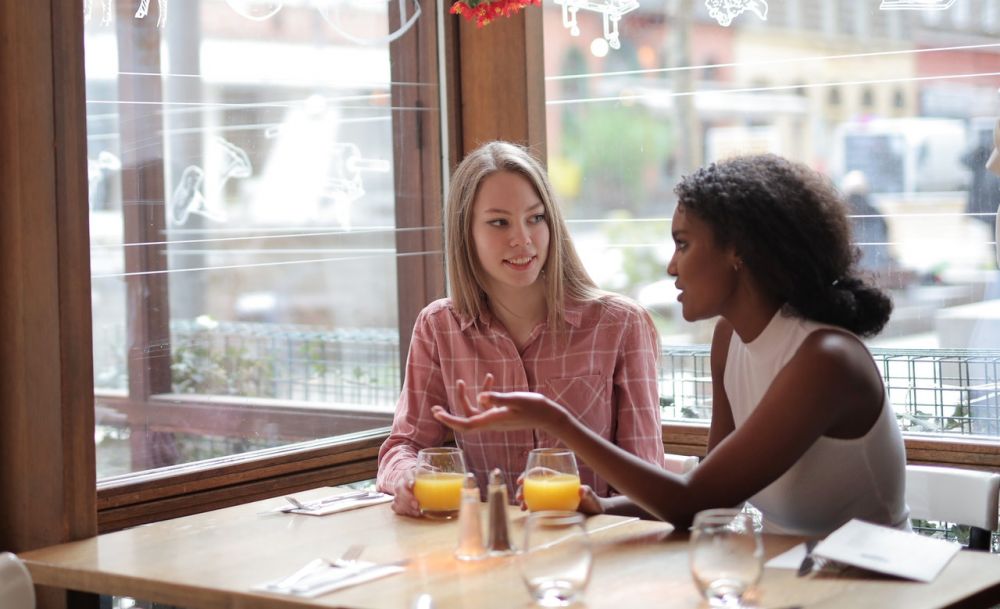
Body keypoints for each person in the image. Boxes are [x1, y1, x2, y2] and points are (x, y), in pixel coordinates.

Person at [434, 153, 910, 536]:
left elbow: (692, 503)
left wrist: (553, 419)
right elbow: (709, 492)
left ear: (738, 250)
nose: (671, 266)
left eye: (683, 244)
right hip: (787, 580)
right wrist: (602, 505)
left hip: (866, 590)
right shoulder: (732, 340)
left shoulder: (825, 363)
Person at [378, 141, 665, 516]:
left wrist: (596, 506)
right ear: (466, 233)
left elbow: (650, 484)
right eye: (499, 222)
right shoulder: (439, 328)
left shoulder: (620, 325)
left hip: (590, 549)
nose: (523, 238)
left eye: (536, 218)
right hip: (482, 551)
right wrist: (410, 478)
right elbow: (404, 445)